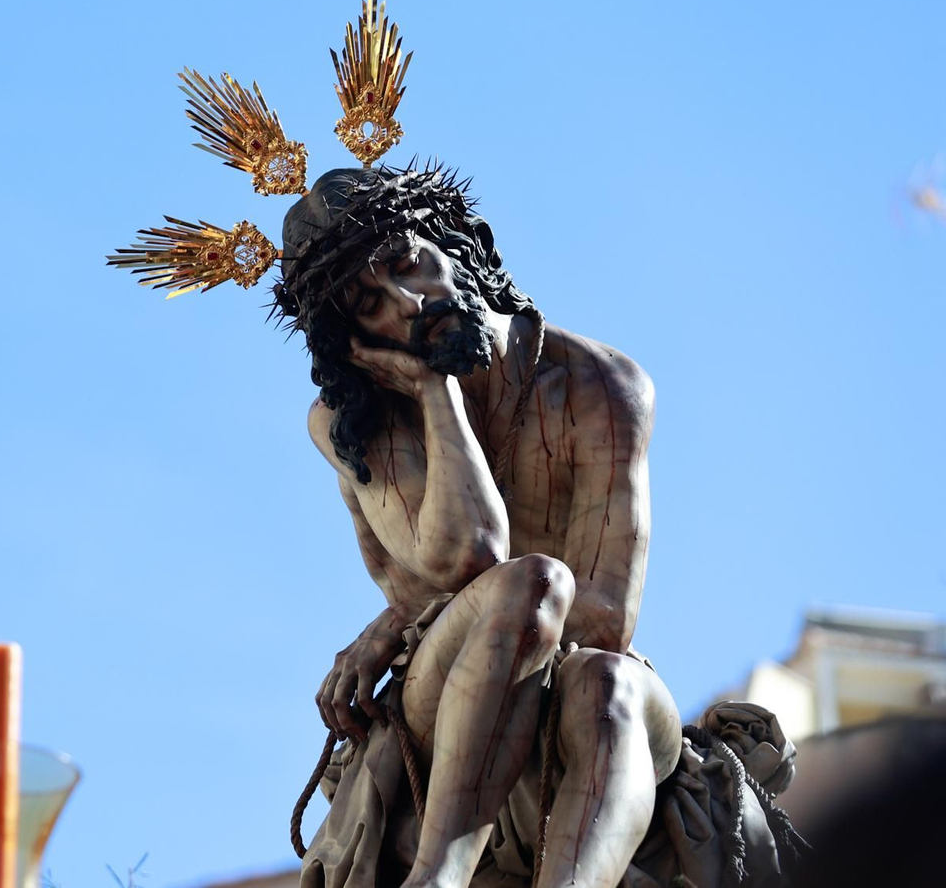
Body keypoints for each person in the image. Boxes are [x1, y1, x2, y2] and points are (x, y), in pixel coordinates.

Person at [276, 164, 790, 888]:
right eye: (367, 305)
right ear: (353, 341)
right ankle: (440, 874)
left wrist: (406, 617)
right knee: (532, 582)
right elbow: (467, 556)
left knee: (608, 679)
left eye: (406, 262)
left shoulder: (600, 383)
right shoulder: (356, 425)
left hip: (583, 682)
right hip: (443, 695)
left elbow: (608, 617)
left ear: (458, 241)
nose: (403, 303)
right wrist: (434, 389)